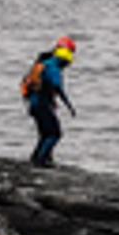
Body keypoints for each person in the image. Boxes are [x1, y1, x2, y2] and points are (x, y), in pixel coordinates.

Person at [21, 35, 77, 165]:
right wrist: (69, 106)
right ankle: (40, 160)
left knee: (45, 133)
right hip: (41, 104)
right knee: (54, 134)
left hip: (33, 103)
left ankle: (37, 158)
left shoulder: (42, 63)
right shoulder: (53, 66)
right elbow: (57, 85)